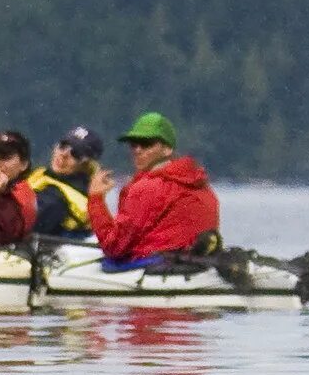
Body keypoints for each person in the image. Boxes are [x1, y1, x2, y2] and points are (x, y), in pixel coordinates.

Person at [86, 112, 221, 264]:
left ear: (167, 149)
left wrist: (96, 199)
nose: (137, 150)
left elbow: (114, 247)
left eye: (146, 144)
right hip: (195, 265)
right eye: (133, 144)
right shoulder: (203, 186)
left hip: (158, 266)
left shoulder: (147, 187)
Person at [28, 126, 103, 239]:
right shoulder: (44, 176)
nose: (63, 154)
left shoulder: (57, 198)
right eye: (63, 146)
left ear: (86, 164)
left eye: (76, 153)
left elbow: (19, 229)